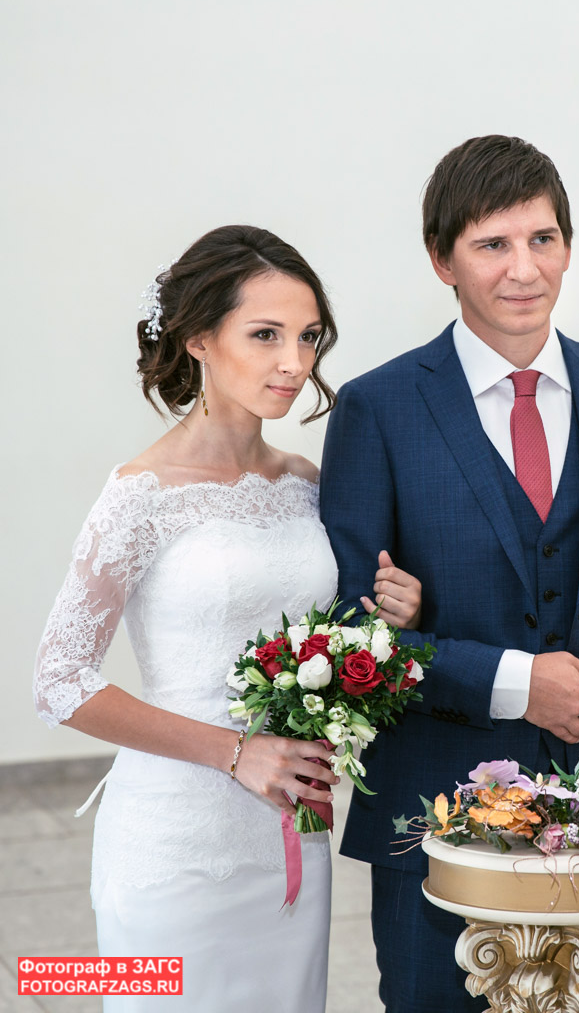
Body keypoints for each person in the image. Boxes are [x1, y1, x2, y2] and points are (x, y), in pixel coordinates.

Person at [319, 135, 579, 1013]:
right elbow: (350, 638)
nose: (523, 269)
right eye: (491, 244)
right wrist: (512, 682)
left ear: (567, 246)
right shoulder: (377, 409)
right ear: (442, 261)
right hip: (437, 818)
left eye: (542, 239)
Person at [33, 224, 422, 1012]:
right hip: (175, 841)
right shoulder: (141, 494)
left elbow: (328, 635)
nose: (294, 363)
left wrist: (392, 612)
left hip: (291, 837)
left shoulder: (306, 483)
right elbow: (58, 681)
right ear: (199, 339)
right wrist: (237, 753)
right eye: (265, 334)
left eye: (308, 336)